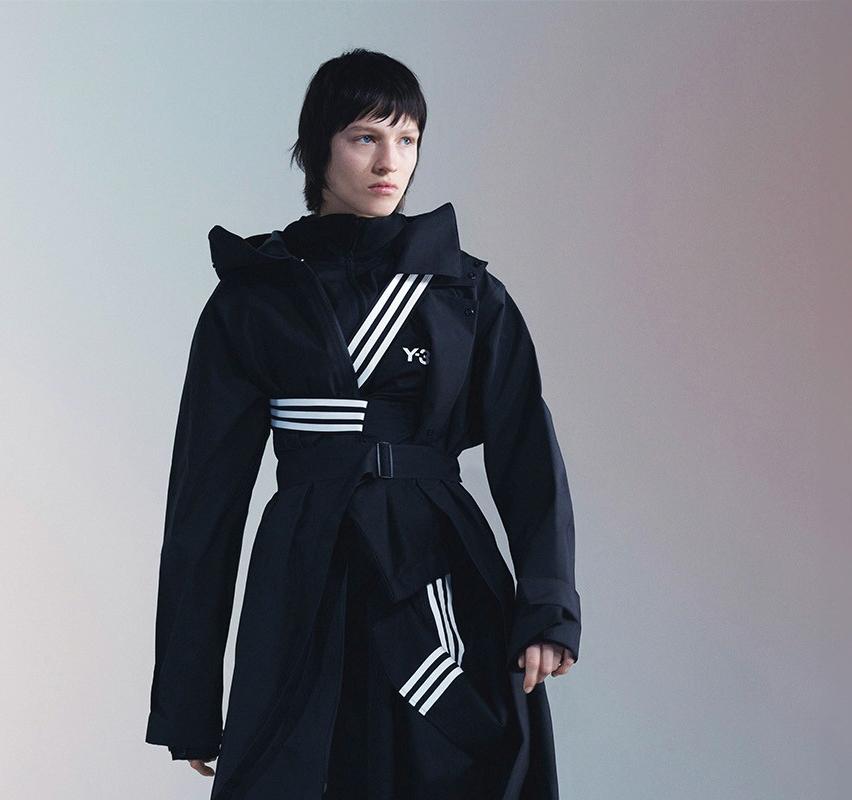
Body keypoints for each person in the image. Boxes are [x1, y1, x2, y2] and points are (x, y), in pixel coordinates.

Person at [146, 49, 582, 799]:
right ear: (317, 147)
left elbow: (527, 452)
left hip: (438, 576)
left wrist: (548, 609)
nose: (391, 162)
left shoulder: (464, 292)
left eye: (407, 139)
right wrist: (189, 698)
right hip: (302, 577)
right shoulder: (255, 297)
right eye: (365, 138)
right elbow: (203, 504)